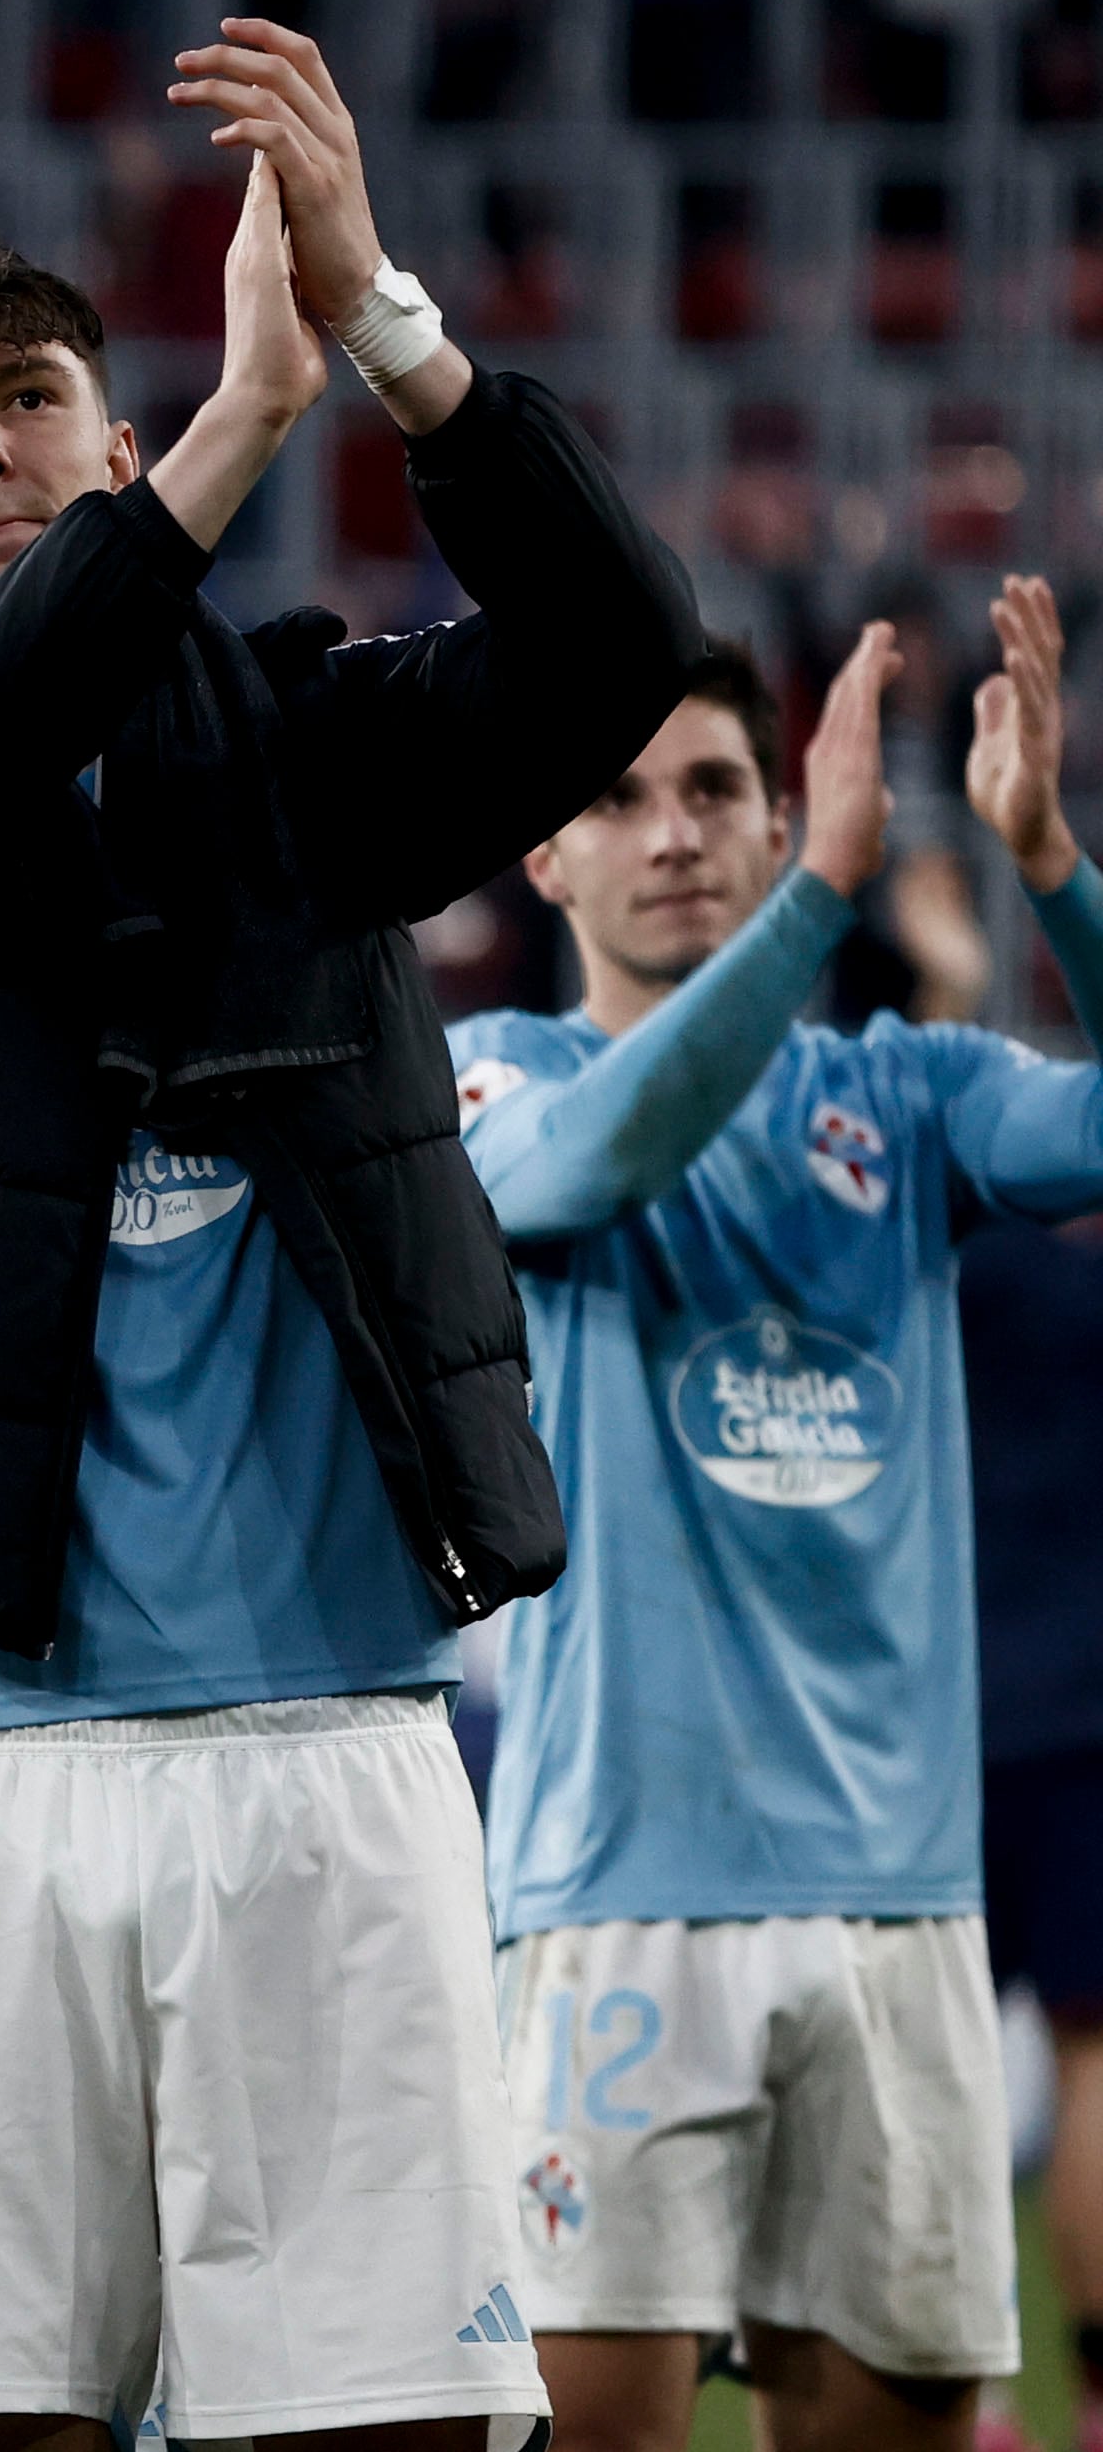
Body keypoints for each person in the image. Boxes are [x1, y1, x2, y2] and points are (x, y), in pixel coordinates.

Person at [0, 19, 703, 2447]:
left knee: (393, 2428)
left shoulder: (304, 763)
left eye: (29, 392)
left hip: (328, 1739)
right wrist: (232, 440)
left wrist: (390, 340)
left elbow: (617, 654)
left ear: (95, 443)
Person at [455, 598, 1103, 2452]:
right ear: (546, 850)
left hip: (894, 1910)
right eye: (621, 795)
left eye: (717, 788)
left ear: (769, 813)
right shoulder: (499, 1074)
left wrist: (1049, 863)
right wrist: (819, 909)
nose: (672, 830)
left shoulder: (903, 1098)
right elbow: (591, 1173)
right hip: (615, 1902)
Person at [965, 1205, 1103, 2452]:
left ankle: (972, 2399)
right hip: (1083, 1721)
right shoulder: (1078, 1291)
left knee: (940, 2066)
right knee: (1088, 2063)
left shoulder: (941, 1257)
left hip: (936, 1724)